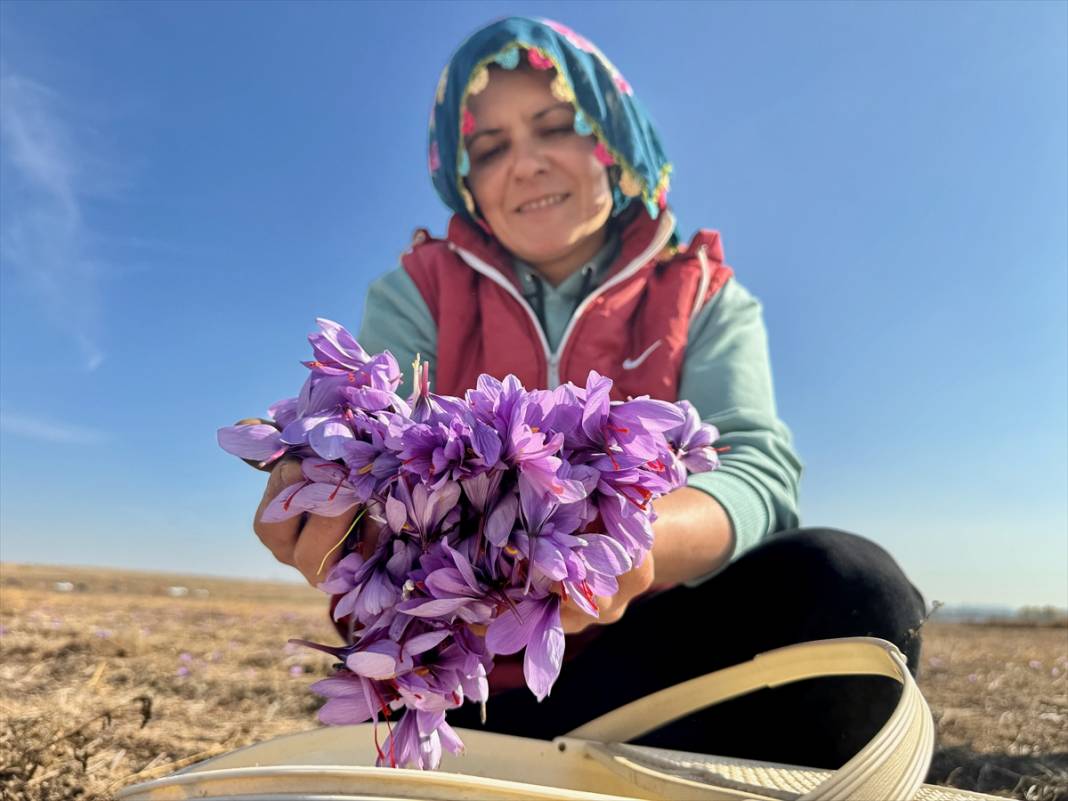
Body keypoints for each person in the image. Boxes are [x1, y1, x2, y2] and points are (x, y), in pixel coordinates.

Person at [251, 17, 927, 770]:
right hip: (462, 689)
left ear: (613, 139)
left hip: (646, 670)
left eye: (556, 127)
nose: (528, 163)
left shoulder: (700, 292)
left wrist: (628, 540)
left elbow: (753, 468)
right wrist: (339, 504)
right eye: (491, 147)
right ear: (464, 179)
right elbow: (378, 436)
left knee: (849, 590)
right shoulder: (421, 290)